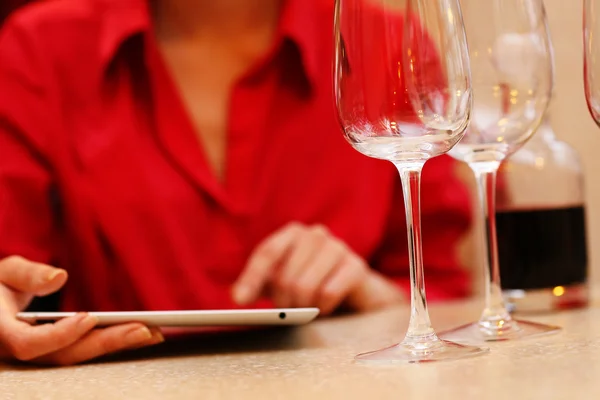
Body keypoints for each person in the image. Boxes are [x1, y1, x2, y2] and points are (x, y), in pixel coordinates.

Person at [0, 0, 472, 365]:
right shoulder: (41, 48)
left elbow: (450, 287)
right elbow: (10, 272)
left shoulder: (389, 43)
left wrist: (375, 295)